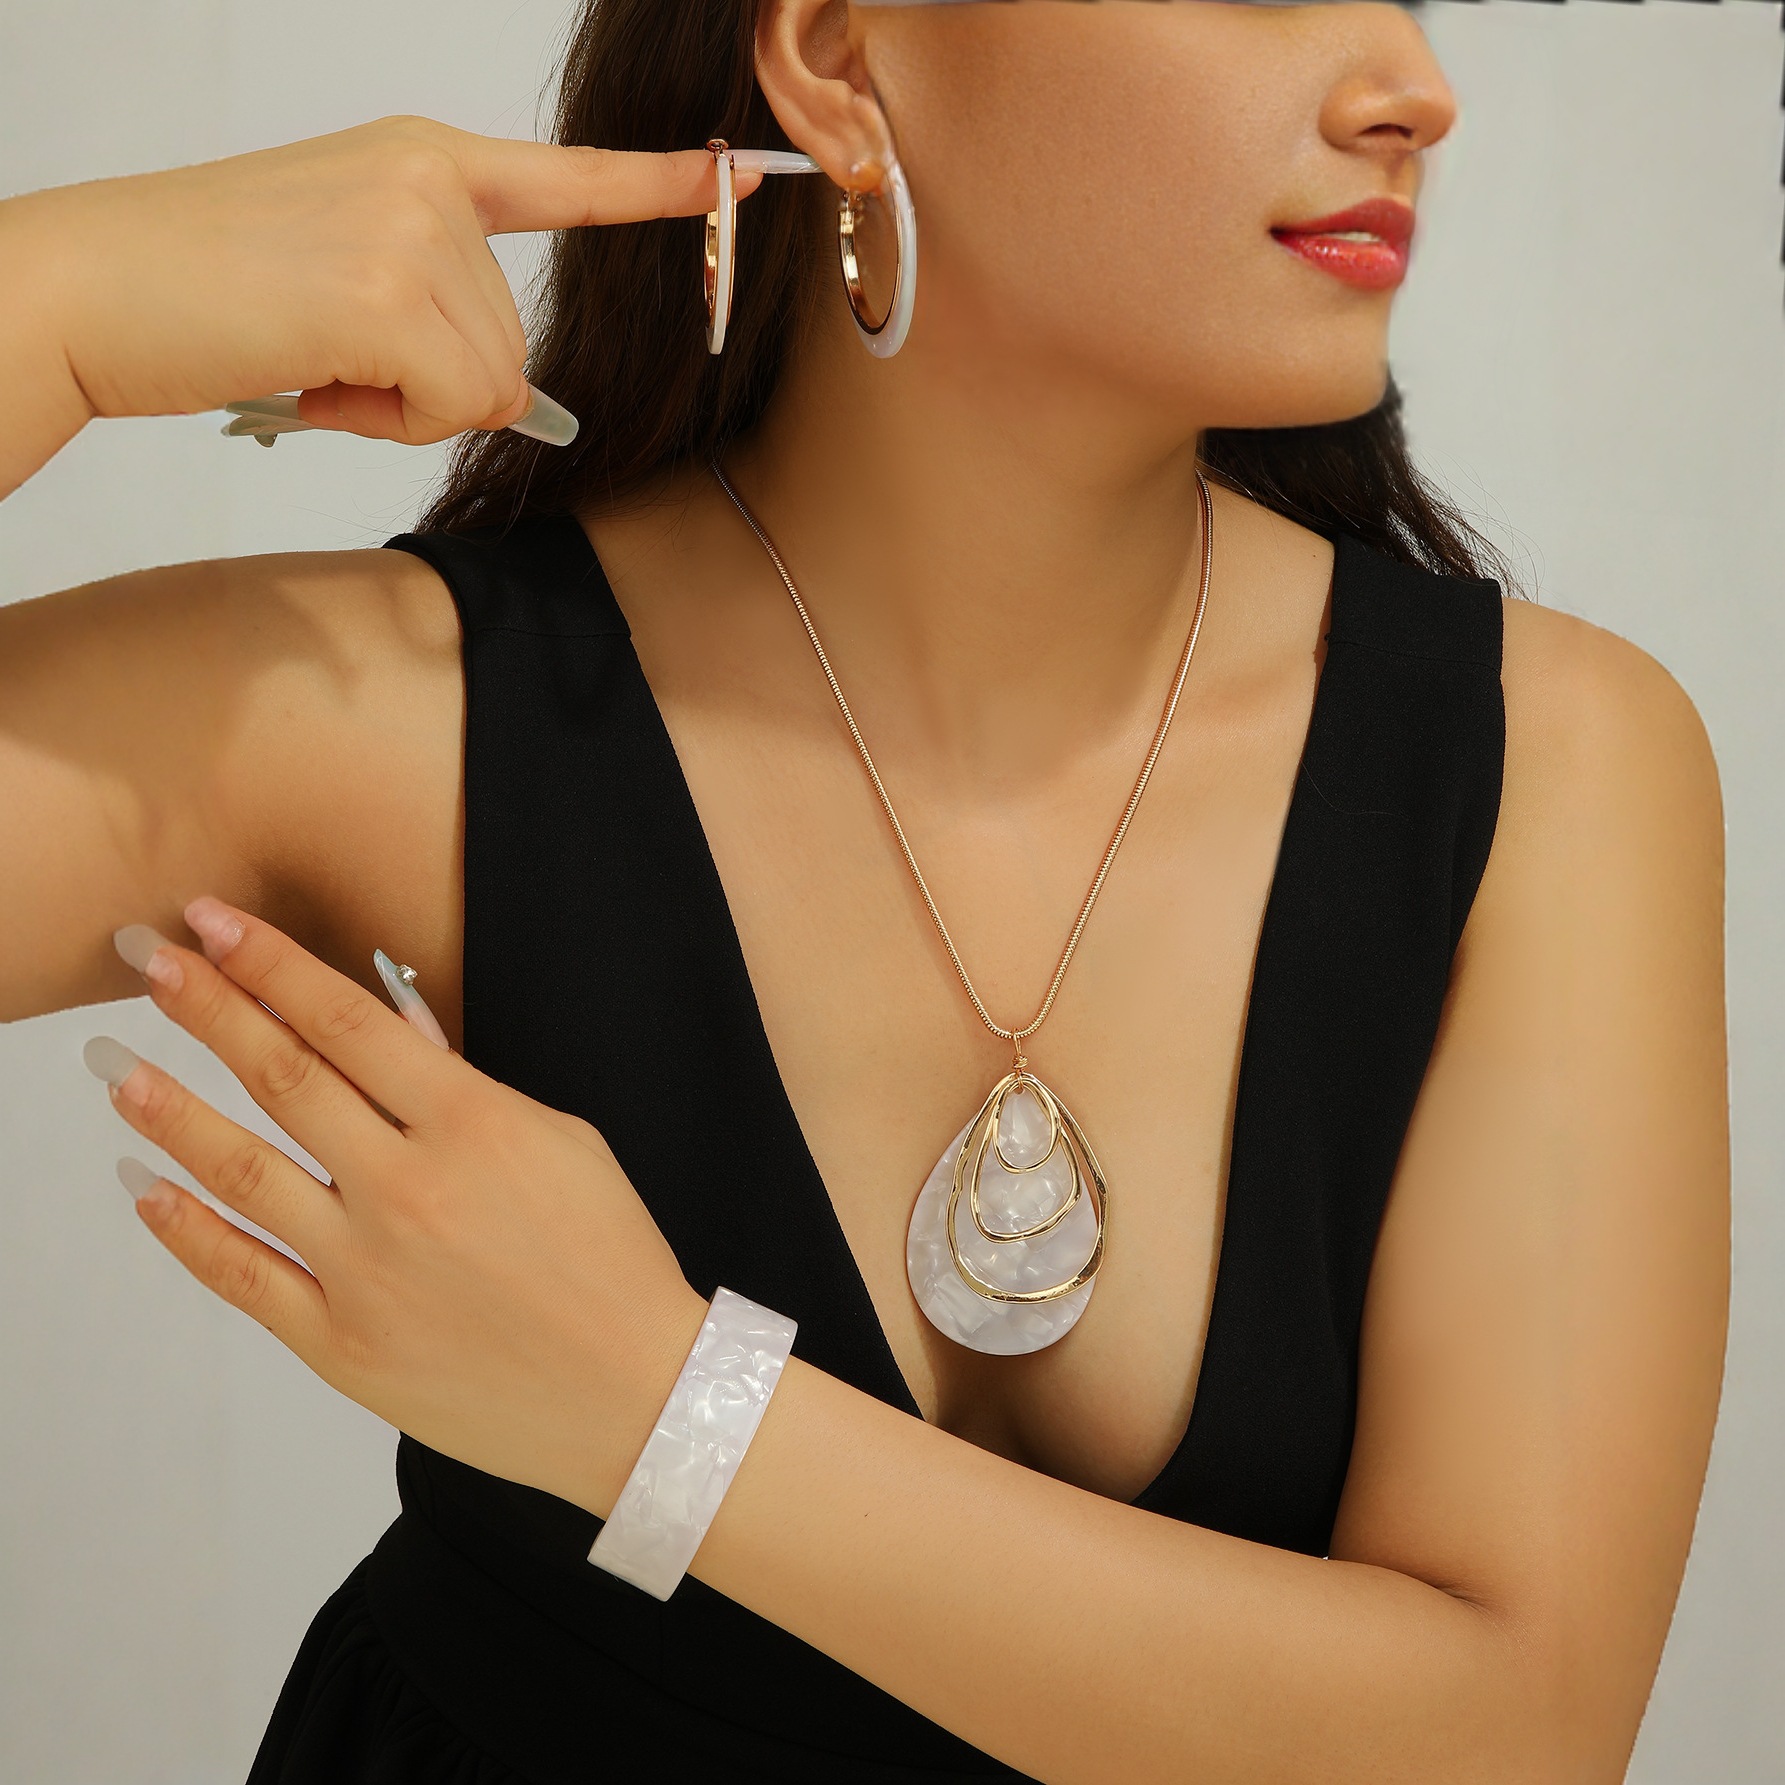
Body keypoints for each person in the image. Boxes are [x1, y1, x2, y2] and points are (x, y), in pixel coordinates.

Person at [0, 1, 1730, 1780]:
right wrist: (47, 298)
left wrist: (656, 1409)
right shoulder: (377, 708)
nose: (1413, 92)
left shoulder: (1545, 763)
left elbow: (1511, 1739)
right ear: (833, 61)